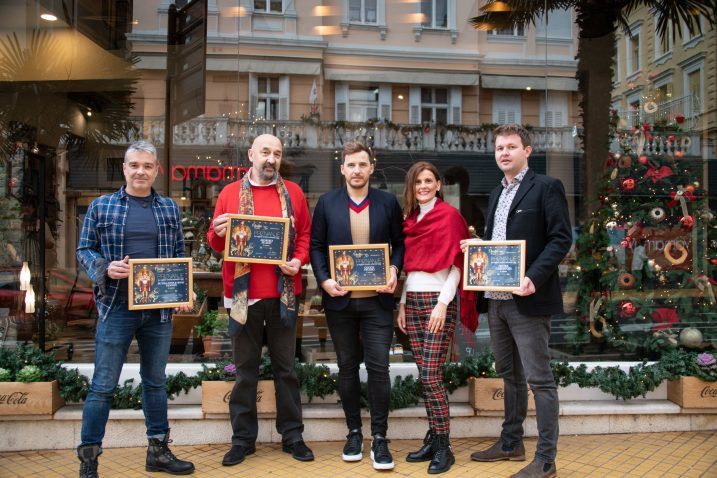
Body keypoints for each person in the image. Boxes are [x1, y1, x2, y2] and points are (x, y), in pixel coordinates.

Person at [75, 141, 195, 478]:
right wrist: (103, 267)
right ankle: (89, 460)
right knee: (103, 385)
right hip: (116, 307)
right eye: (134, 165)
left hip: (157, 311)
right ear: (124, 169)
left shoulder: (169, 208)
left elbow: (174, 257)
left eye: (147, 165)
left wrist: (182, 291)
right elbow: (83, 248)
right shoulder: (102, 207)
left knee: (155, 382)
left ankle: (158, 451)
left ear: (157, 169)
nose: (140, 171)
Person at [466, 124, 572, 478]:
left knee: (539, 380)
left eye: (511, 146)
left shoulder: (546, 187)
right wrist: (476, 249)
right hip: (496, 300)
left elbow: (560, 239)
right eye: (499, 148)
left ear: (527, 150)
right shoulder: (496, 192)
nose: (504, 153)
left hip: (527, 298)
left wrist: (533, 278)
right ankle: (511, 443)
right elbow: (499, 242)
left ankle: (545, 460)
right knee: (509, 375)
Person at [207, 134, 313, 466]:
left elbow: (306, 234)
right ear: (251, 155)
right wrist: (218, 233)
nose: (271, 159)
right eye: (265, 152)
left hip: (283, 296)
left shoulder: (293, 194)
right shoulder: (229, 193)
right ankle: (242, 440)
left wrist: (298, 260)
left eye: (277, 154)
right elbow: (214, 240)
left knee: (286, 370)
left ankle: (293, 436)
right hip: (242, 297)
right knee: (245, 372)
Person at [310, 141, 405, 470]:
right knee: (347, 367)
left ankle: (379, 437)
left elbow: (400, 243)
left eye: (362, 165)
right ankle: (354, 432)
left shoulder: (388, 202)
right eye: (351, 165)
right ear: (342, 169)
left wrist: (393, 270)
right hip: (340, 301)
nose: (356, 171)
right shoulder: (327, 203)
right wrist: (324, 280)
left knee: (379, 369)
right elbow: (317, 247)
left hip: (378, 302)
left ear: (371, 166)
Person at [396, 161, 477, 474]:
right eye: (418, 182)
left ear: (439, 184)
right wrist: (402, 302)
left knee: (431, 376)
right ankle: (433, 437)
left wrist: (444, 304)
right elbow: (412, 268)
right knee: (424, 374)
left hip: (436, 301)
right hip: (413, 299)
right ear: (412, 188)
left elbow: (457, 265)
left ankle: (445, 447)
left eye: (429, 181)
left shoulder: (450, 216)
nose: (423, 187)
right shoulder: (412, 219)